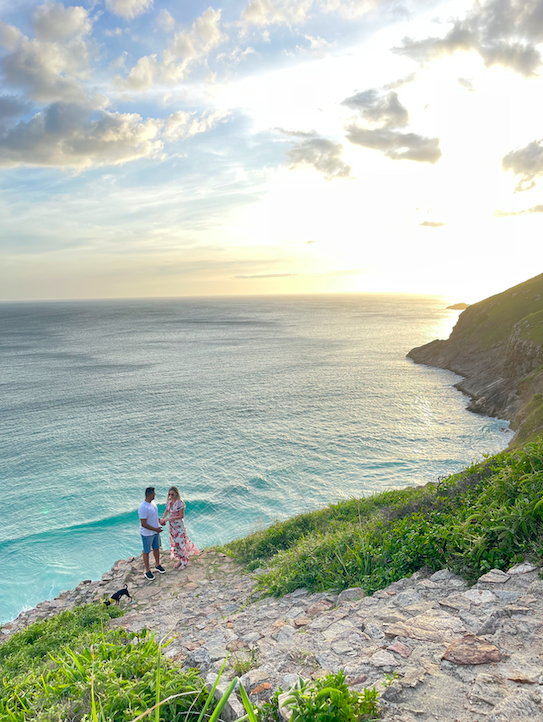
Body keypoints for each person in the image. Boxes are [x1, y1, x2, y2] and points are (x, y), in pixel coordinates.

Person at [160, 486, 199, 569]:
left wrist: (170, 518)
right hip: (172, 526)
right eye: (169, 494)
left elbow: (181, 515)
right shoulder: (169, 501)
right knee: (175, 544)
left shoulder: (179, 502)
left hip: (179, 526)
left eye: (172, 494)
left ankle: (185, 562)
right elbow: (167, 510)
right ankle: (180, 560)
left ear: (176, 494)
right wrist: (163, 518)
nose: (170, 496)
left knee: (180, 544)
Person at [138, 487, 167, 581]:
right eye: (154, 493)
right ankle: (147, 571)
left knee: (156, 548)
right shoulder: (143, 507)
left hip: (155, 531)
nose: (155, 495)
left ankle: (157, 565)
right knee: (146, 551)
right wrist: (155, 529)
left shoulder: (152, 503)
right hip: (147, 533)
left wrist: (159, 520)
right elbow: (143, 523)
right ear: (150, 494)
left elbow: (153, 515)